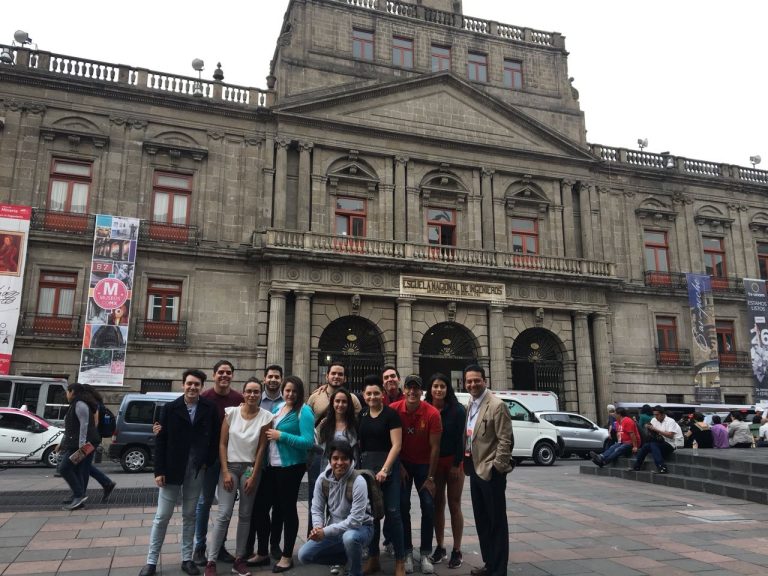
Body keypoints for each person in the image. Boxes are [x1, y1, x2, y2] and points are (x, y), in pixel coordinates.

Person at [139, 369, 219, 576]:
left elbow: (215, 439)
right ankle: (151, 562)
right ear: (183, 385)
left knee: (190, 515)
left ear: (202, 387)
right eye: (189, 383)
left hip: (195, 470)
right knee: (162, 516)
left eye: (197, 384)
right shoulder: (169, 408)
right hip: (171, 470)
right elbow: (161, 441)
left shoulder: (209, 408)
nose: (193, 387)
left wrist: (207, 462)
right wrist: (159, 470)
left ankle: (187, 559)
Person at [205, 379, 273, 576]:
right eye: (249, 391)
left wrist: (254, 475)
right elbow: (222, 444)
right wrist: (225, 471)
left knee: (245, 515)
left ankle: (239, 559)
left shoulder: (266, 417)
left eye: (256, 392)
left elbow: (262, 448)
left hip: (250, 469)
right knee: (224, 513)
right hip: (230, 467)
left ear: (261, 394)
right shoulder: (231, 413)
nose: (252, 395)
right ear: (243, 393)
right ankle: (211, 561)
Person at [192, 360, 244, 566]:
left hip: (229, 461)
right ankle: (200, 546)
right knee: (204, 502)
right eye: (221, 372)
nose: (224, 375)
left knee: (226, 506)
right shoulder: (204, 397)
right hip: (208, 461)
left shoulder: (238, 398)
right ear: (214, 375)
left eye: (228, 372)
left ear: (232, 376)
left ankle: (220, 546)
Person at [463, 365, 513, 576]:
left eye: (476, 380)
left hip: (490, 471)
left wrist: (497, 467)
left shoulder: (497, 405)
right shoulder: (470, 404)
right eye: (469, 381)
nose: (473, 384)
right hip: (474, 469)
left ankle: (499, 569)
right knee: (482, 520)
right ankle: (489, 563)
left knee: (496, 522)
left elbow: (505, 440)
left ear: (485, 380)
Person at [298, 440, 374, 576]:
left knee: (349, 538)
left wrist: (325, 532)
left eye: (344, 458)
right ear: (329, 460)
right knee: (304, 555)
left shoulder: (358, 481)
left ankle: (355, 571)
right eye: (335, 458)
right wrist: (317, 527)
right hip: (334, 530)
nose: (339, 462)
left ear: (351, 461)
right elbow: (316, 508)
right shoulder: (323, 479)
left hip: (361, 528)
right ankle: (346, 558)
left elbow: (355, 521)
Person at [390, 375, 442, 574]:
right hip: (402, 463)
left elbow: (435, 447)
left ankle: (426, 552)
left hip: (424, 465)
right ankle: (407, 552)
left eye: (416, 389)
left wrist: (430, 478)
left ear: (422, 392)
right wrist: (399, 466)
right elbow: (391, 442)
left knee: (428, 506)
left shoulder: (432, 413)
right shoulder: (394, 409)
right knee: (402, 506)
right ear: (404, 390)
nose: (412, 392)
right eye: (409, 388)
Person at [262, 376, 315, 572]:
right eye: (287, 390)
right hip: (273, 465)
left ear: (300, 392)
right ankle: (273, 547)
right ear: (283, 391)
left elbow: (308, 442)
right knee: (276, 507)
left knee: (287, 509)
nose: (290, 394)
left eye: (294, 391)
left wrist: (281, 435)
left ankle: (287, 555)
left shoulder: (304, 411)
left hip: (292, 466)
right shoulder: (279, 408)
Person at [306, 363, 362, 540]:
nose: (336, 377)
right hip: (321, 457)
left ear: (344, 378)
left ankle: (342, 537)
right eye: (333, 374)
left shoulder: (352, 398)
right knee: (317, 498)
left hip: (346, 462)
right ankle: (315, 534)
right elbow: (309, 423)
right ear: (327, 376)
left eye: (340, 374)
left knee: (344, 501)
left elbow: (359, 418)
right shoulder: (315, 396)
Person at [357, 374, 404, 576]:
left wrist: (385, 469)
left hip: (388, 469)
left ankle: (400, 561)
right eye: (369, 393)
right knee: (372, 516)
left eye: (376, 393)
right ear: (363, 395)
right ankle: (374, 558)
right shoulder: (362, 416)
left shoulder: (391, 415)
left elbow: (397, 444)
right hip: (367, 471)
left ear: (382, 394)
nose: (373, 396)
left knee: (393, 512)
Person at [424, 373, 466, 569]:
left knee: (454, 504)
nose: (438, 389)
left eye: (442, 386)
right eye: (435, 386)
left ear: (447, 389)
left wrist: (457, 464)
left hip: (453, 461)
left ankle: (457, 550)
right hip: (435, 463)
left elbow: (461, 439)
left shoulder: (457, 410)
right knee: (437, 504)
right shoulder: (426, 409)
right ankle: (440, 547)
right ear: (430, 389)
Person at [247, 367, 285, 566]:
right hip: (256, 463)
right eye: (270, 376)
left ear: (281, 379)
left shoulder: (287, 402)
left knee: (279, 507)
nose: (273, 380)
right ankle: (251, 546)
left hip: (278, 463)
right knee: (257, 508)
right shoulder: (254, 399)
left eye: (276, 377)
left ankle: (274, 544)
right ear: (264, 379)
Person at [58, 383, 101, 511]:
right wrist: (62, 443)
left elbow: (84, 425)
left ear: (72, 392)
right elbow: (71, 427)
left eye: (67, 392)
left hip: (83, 444)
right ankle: (78, 497)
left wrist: (81, 447)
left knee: (65, 468)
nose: (66, 394)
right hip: (78, 443)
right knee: (75, 469)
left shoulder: (80, 404)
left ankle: (79, 495)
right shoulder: (76, 404)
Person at [82, 384, 117, 502]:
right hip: (93, 440)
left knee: (81, 464)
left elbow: (94, 424)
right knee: (82, 464)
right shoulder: (97, 403)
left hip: (90, 441)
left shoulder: (93, 405)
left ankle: (80, 494)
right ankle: (105, 483)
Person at [629, 405, 683, 473]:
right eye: (654, 415)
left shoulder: (670, 421)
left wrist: (656, 430)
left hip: (669, 444)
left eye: (657, 415)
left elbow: (670, 435)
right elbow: (652, 432)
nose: (656, 417)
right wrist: (649, 428)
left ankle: (662, 467)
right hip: (658, 441)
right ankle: (637, 466)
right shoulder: (654, 420)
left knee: (653, 445)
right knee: (646, 446)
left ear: (663, 414)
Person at [316, 388, 359, 460]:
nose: (340, 404)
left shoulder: (355, 424)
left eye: (344, 401)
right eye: (337, 401)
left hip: (351, 467)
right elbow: (321, 449)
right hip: (328, 466)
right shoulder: (325, 424)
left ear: (349, 404)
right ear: (332, 403)